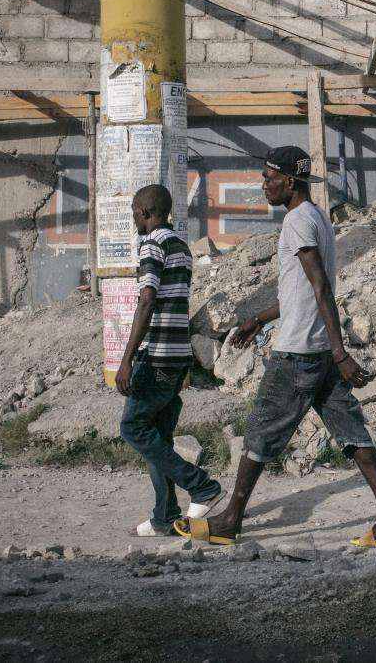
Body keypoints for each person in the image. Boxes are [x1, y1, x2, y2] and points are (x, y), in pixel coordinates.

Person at [177, 146, 376, 546]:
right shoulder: (315, 216)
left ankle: (230, 519)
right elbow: (300, 291)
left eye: (269, 178)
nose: (264, 185)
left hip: (300, 353)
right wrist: (258, 319)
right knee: (352, 432)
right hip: (317, 351)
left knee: (259, 433)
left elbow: (320, 288)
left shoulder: (297, 222)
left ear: (290, 181)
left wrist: (341, 352)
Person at [116, 184, 224, 537]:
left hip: (158, 355)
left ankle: (202, 485)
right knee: (158, 435)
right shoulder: (180, 246)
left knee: (133, 427)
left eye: (134, 211)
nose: (133, 217)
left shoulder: (153, 244)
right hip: (179, 358)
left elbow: (147, 300)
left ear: (145, 212)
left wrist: (127, 359)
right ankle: (165, 515)